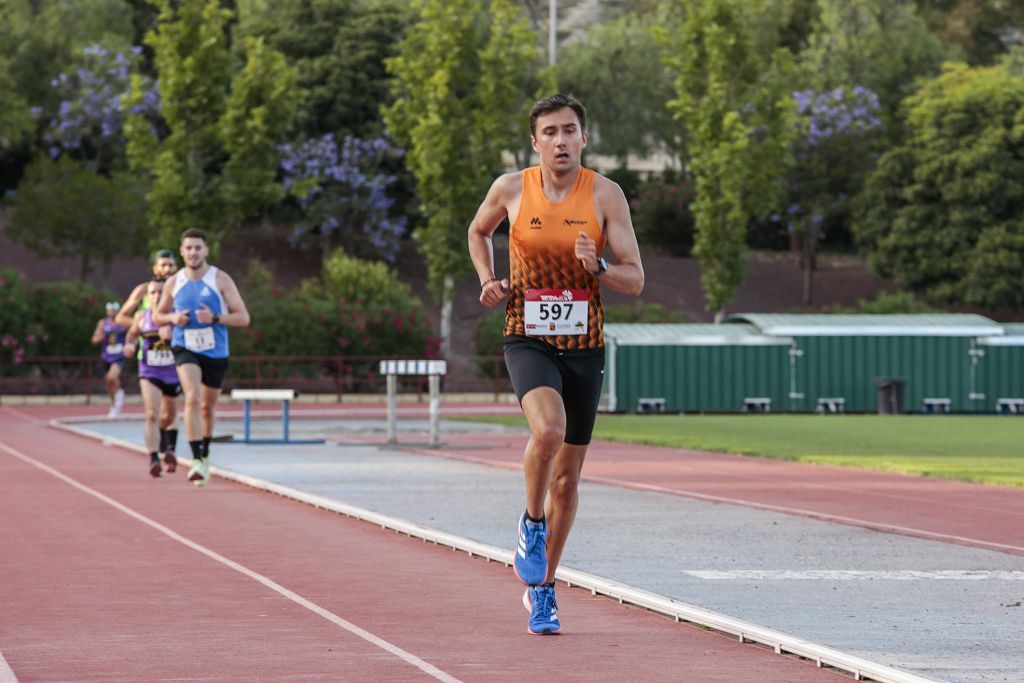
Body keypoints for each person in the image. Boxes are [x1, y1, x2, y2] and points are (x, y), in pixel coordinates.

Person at [467, 93, 644, 635]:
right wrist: (487, 279)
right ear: (535, 141)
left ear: (584, 138)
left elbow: (635, 279)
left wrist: (601, 267)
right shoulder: (511, 188)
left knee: (566, 482)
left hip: (584, 346)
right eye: (551, 132)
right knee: (548, 429)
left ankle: (543, 590)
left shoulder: (606, 195)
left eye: (570, 130)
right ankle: (531, 522)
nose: (561, 140)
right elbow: (478, 231)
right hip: (528, 336)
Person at [154, 227, 250, 487]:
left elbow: (243, 317)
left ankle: (205, 453)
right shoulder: (175, 281)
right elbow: (158, 315)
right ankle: (196, 459)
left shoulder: (220, 279)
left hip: (216, 351)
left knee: (207, 407)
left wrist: (216, 318)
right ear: (182, 251)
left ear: (206, 251)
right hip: (185, 346)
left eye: (198, 248)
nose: (193, 252)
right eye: (188, 248)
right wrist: (173, 318)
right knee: (192, 397)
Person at [124, 278, 181, 478]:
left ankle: (167, 443)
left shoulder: (176, 316)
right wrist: (129, 345)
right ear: (148, 297)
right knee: (151, 413)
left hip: (173, 374)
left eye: (160, 292)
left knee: (168, 417)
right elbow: (131, 335)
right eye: (153, 292)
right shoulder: (141, 316)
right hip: (150, 372)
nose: (156, 295)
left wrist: (174, 335)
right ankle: (154, 458)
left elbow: (190, 343)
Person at [115, 249, 179, 329]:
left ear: (176, 267)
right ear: (155, 268)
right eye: (163, 265)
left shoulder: (181, 289)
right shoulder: (144, 289)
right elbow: (120, 317)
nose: (167, 269)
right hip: (148, 339)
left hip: (174, 339)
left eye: (171, 265)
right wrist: (141, 324)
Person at [91, 301, 127, 418]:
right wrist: (101, 336)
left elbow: (132, 335)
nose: (112, 313)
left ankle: (119, 395)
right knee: (109, 381)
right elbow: (94, 339)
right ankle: (114, 404)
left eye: (114, 310)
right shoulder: (103, 323)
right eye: (110, 310)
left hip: (119, 356)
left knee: (112, 376)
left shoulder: (123, 322)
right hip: (106, 356)